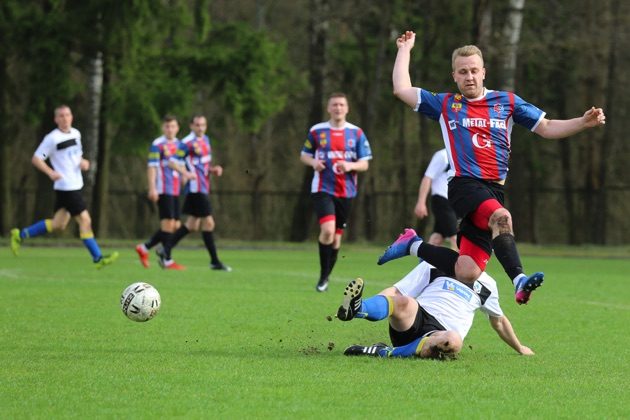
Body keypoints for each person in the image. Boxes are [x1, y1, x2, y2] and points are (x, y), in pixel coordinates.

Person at [389, 31, 606, 304]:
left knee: (467, 271)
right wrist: (405, 49)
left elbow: (547, 127)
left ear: (484, 73)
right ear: (454, 76)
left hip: (493, 190)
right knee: (502, 218)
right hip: (464, 185)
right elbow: (401, 89)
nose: (469, 76)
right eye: (462, 72)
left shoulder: (507, 102)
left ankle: (412, 245)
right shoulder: (446, 104)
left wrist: (582, 123)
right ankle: (519, 280)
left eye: (474, 71)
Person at [336, 260, 534, 359]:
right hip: (415, 319)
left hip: (441, 334)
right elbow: (396, 290)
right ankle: (358, 308)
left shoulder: (488, 285)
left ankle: (385, 352)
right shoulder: (435, 262)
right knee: (404, 301)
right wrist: (372, 303)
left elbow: (498, 321)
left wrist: (520, 347)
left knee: (453, 341)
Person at [9, 105, 118, 268]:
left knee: (58, 224)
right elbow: (37, 158)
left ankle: (20, 234)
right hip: (66, 187)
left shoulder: (76, 133)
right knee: (85, 220)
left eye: (67, 115)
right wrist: (50, 172)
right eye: (61, 116)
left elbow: (76, 154)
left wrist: (83, 162)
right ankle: (98, 258)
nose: (65, 118)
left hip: (74, 185)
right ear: (56, 119)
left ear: (71, 117)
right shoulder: (52, 138)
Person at [300, 93, 373, 292]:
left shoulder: (356, 133)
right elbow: (304, 156)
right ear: (328, 108)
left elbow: (365, 164)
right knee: (328, 231)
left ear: (347, 108)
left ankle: (326, 276)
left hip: (347, 191)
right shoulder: (317, 131)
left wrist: (350, 166)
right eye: (334, 105)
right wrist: (314, 162)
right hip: (322, 188)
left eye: (341, 105)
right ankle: (323, 277)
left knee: (337, 238)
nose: (338, 108)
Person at [157, 115, 231, 271]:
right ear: (191, 126)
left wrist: (212, 170)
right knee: (209, 223)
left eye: (203, 124)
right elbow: (172, 162)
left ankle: (165, 249)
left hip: (203, 186)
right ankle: (214, 261)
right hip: (195, 188)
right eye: (197, 125)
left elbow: (201, 164)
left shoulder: (206, 140)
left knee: (192, 225)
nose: (200, 128)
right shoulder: (186, 143)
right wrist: (185, 173)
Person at [135, 115, 192, 270]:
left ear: (177, 128)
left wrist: (184, 176)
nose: (170, 129)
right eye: (167, 126)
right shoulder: (157, 145)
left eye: (173, 126)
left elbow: (182, 164)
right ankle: (166, 259)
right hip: (162, 188)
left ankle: (145, 248)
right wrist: (152, 187)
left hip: (175, 189)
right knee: (168, 224)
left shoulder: (181, 145)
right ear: (163, 128)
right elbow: (152, 166)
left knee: (175, 225)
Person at [414, 148, 458, 250]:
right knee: (456, 239)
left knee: (436, 239)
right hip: (442, 200)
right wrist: (421, 202)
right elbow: (427, 178)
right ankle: (461, 266)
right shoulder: (442, 155)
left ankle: (423, 265)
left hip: (453, 203)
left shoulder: (462, 155)